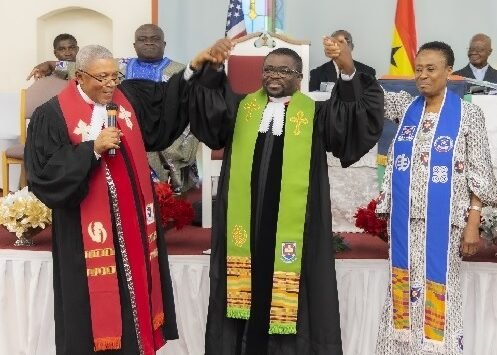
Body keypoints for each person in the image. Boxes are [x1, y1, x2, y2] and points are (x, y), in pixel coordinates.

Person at [185, 37, 384, 354]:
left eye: (283, 70)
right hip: (244, 225)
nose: (274, 76)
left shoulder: (315, 114)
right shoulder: (242, 108)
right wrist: (211, 68)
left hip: (294, 228)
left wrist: (347, 72)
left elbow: (351, 121)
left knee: (291, 288)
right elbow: (209, 112)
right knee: (243, 289)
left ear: (299, 77)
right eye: (268, 70)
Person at [24, 44, 194, 354]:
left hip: (134, 227)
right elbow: (44, 175)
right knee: (94, 310)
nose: (110, 85)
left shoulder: (126, 100)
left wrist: (193, 71)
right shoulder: (51, 115)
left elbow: (164, 108)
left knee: (135, 297)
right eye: (101, 78)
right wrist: (90, 149)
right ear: (79, 76)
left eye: (114, 76)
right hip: (85, 235)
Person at [376, 41, 497, 354]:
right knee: (401, 293)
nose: (423, 76)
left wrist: (473, 223)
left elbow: (480, 174)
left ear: (448, 72)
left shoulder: (467, 115)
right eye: (418, 69)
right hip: (405, 222)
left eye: (431, 69)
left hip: (445, 225)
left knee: (439, 293)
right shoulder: (405, 108)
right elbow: (368, 98)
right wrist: (348, 66)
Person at [28, 24, 199, 193]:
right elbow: (82, 68)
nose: (148, 43)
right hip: (114, 131)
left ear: (164, 44)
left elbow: (188, 107)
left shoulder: (180, 71)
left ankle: (161, 187)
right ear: (134, 45)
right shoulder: (118, 65)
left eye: (155, 39)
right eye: (142, 39)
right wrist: (51, 64)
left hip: (157, 130)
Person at [309, 30, 376, 92]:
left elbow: (373, 100)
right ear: (330, 46)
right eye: (338, 42)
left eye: (346, 41)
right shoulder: (317, 74)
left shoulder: (368, 72)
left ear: (352, 47)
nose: (343, 46)